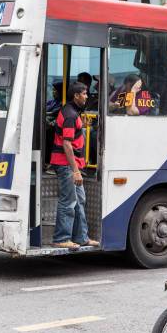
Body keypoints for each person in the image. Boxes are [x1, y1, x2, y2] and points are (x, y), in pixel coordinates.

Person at [51, 82, 99, 249]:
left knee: (80, 201)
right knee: (69, 201)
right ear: (76, 96)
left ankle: (81, 237)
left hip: (71, 165)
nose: (87, 96)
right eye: (84, 94)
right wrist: (75, 170)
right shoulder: (70, 115)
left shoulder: (72, 112)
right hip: (67, 166)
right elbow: (66, 144)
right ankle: (61, 238)